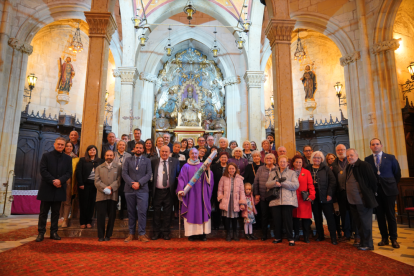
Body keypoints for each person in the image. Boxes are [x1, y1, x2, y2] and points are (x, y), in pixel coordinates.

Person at [365, 138, 401, 249]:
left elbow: (397, 174)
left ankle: (394, 239)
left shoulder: (390, 158)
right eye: (373, 144)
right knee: (380, 216)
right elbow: (367, 176)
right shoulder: (367, 159)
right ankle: (384, 238)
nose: (375, 146)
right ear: (370, 147)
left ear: (381, 145)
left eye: (377, 144)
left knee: (390, 215)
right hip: (376, 192)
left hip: (389, 190)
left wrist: (390, 184)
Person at [36, 137, 72, 242]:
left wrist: (60, 181)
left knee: (56, 212)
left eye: (62, 144)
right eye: (58, 144)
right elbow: (43, 170)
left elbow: (69, 172)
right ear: (54, 144)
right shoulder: (46, 156)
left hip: (60, 188)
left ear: (64, 146)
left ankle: (54, 232)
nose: (60, 146)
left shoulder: (68, 158)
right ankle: (41, 233)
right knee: (43, 212)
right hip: (47, 187)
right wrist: (53, 181)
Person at [177, 148, 214, 241]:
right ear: (189, 155)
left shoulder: (203, 165)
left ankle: (203, 233)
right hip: (190, 194)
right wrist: (181, 190)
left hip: (202, 194)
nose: (194, 155)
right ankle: (191, 234)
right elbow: (181, 178)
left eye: (195, 153)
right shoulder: (185, 166)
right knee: (191, 211)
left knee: (202, 211)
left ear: (198, 155)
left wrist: (207, 170)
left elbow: (209, 178)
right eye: (192, 153)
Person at [347, 148, 378, 250]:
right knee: (359, 222)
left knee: (365, 223)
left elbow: (373, 181)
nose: (349, 157)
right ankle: (362, 242)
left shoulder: (364, 165)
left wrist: (369, 194)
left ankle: (368, 244)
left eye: (351, 155)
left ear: (357, 155)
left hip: (362, 200)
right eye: (348, 156)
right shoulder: (349, 166)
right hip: (352, 200)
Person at [122, 142, 152, 242]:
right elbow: (124, 173)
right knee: (131, 212)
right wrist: (132, 184)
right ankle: (131, 234)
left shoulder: (147, 160)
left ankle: (142, 234)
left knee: (142, 212)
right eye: (137, 147)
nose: (138, 149)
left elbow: (148, 174)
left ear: (143, 150)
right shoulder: (128, 159)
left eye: (140, 148)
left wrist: (139, 183)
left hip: (142, 190)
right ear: (134, 149)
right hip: (129, 190)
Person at [307, 151, 338, 245]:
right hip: (313, 196)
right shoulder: (307, 168)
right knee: (317, 217)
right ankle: (320, 236)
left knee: (329, 217)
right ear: (312, 159)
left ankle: (333, 237)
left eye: (319, 158)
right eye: (315, 157)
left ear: (322, 159)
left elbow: (332, 182)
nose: (316, 159)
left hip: (325, 195)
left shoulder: (326, 168)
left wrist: (329, 194)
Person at [268, 155, 299, 246]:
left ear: (287, 163)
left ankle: (290, 238)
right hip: (275, 200)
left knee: (288, 220)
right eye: (281, 162)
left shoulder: (292, 173)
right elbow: (267, 184)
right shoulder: (273, 173)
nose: (282, 163)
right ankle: (278, 237)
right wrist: (275, 183)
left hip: (288, 200)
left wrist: (283, 183)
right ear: (278, 163)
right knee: (276, 220)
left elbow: (296, 185)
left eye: (284, 162)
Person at [151, 146, 180, 240]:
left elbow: (179, 175)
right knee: (156, 213)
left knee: (168, 213)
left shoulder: (175, 161)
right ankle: (156, 232)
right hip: (157, 191)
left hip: (169, 191)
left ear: (169, 152)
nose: (164, 153)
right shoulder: (154, 162)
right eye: (162, 151)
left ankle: (166, 232)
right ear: (160, 151)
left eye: (166, 152)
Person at [332, 144, 357, 243]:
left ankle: (355, 232)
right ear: (336, 151)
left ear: (346, 150)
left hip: (352, 192)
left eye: (342, 149)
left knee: (353, 213)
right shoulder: (333, 164)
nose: (340, 151)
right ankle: (347, 233)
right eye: (338, 150)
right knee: (344, 214)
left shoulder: (351, 162)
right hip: (341, 193)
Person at [94, 150, 121, 241]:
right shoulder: (99, 167)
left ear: (114, 156)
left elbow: (118, 180)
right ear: (104, 156)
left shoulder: (118, 167)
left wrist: (111, 188)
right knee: (100, 216)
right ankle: (101, 236)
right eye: (107, 155)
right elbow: (97, 181)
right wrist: (105, 188)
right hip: (101, 196)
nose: (109, 157)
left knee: (112, 216)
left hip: (113, 196)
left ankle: (108, 235)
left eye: (111, 155)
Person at [76, 145, 104, 229]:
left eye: (94, 150)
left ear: (96, 151)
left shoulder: (100, 161)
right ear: (87, 151)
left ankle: (89, 222)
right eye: (90, 150)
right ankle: (82, 222)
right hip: (84, 185)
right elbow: (78, 172)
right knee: (83, 204)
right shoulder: (82, 160)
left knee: (91, 204)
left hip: (95, 186)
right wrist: (80, 183)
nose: (92, 151)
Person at [217, 163, 246, 241]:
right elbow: (220, 189)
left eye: (233, 168)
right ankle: (228, 233)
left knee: (234, 218)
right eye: (230, 169)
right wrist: (220, 198)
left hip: (235, 200)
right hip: (226, 200)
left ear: (236, 169)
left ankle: (235, 233)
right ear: (227, 169)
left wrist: (242, 202)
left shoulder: (239, 179)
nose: (231, 170)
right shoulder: (223, 178)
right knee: (227, 218)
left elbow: (242, 191)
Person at [253, 153, 278, 240]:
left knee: (275, 216)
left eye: (271, 158)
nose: (269, 159)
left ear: (274, 160)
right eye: (267, 158)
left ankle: (276, 234)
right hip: (263, 196)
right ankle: (264, 234)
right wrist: (256, 194)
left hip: (275, 197)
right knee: (264, 216)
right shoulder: (261, 168)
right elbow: (256, 182)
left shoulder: (277, 169)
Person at [291, 155, 315, 243]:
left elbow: (310, 185)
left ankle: (306, 236)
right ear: (293, 163)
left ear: (302, 163)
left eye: (300, 162)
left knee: (305, 219)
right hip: (293, 198)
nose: (298, 164)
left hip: (304, 198)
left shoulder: (307, 172)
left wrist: (312, 196)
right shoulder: (290, 172)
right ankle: (296, 235)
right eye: (296, 162)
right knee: (295, 218)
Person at [60, 141, 80, 228]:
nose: (68, 148)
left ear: (73, 148)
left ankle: (65, 220)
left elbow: (77, 172)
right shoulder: (60, 157)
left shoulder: (76, 158)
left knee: (67, 201)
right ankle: (59, 218)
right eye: (67, 146)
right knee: (58, 201)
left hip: (69, 182)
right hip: (59, 181)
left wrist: (76, 184)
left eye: (70, 146)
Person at [211, 152, 229, 230]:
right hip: (216, 190)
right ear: (219, 158)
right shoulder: (214, 167)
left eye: (225, 157)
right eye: (222, 157)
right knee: (217, 208)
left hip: (227, 191)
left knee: (226, 208)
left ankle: (226, 225)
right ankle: (216, 225)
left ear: (227, 158)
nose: (223, 159)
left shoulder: (230, 167)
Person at [114, 140, 132, 220]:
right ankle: (113, 213)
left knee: (124, 196)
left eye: (123, 145)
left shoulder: (129, 155)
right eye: (120, 145)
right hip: (114, 178)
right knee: (115, 196)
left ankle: (122, 213)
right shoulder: (113, 154)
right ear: (117, 146)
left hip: (125, 179)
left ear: (125, 147)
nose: (121, 146)